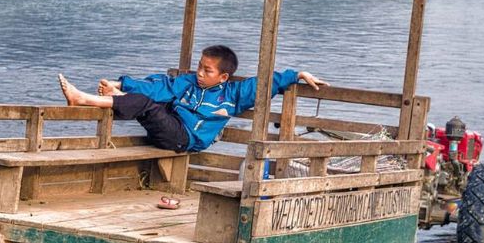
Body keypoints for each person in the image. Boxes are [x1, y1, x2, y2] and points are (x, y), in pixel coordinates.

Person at [58, 44, 327, 153]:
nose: (199, 73)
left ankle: (83, 99)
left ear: (223, 76)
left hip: (183, 139)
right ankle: (120, 94)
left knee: (146, 104)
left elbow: (266, 82)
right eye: (199, 66)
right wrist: (122, 82)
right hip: (168, 125)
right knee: (158, 94)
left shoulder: (231, 95)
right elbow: (160, 85)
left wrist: (298, 74)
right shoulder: (188, 82)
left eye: (206, 71)